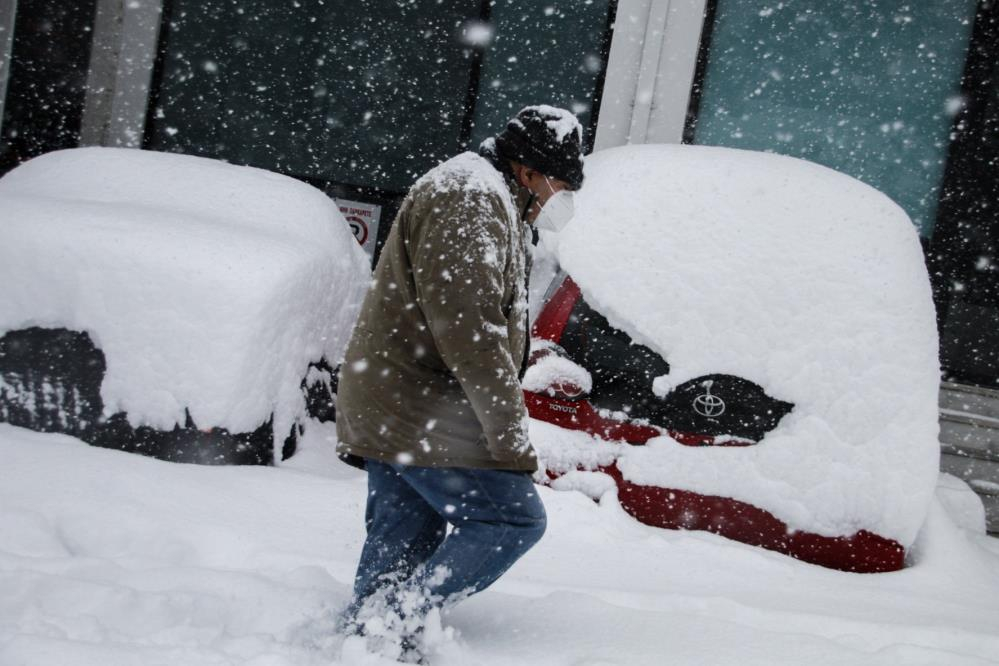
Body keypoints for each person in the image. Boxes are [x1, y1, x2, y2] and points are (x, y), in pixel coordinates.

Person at [334, 105, 585, 659]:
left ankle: (368, 639)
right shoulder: (469, 198)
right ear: (527, 171)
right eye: (560, 184)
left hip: (400, 397)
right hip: (425, 406)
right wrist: (507, 434)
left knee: (405, 535)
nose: (558, 199)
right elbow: (470, 330)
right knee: (512, 519)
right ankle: (399, 622)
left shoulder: (486, 195)